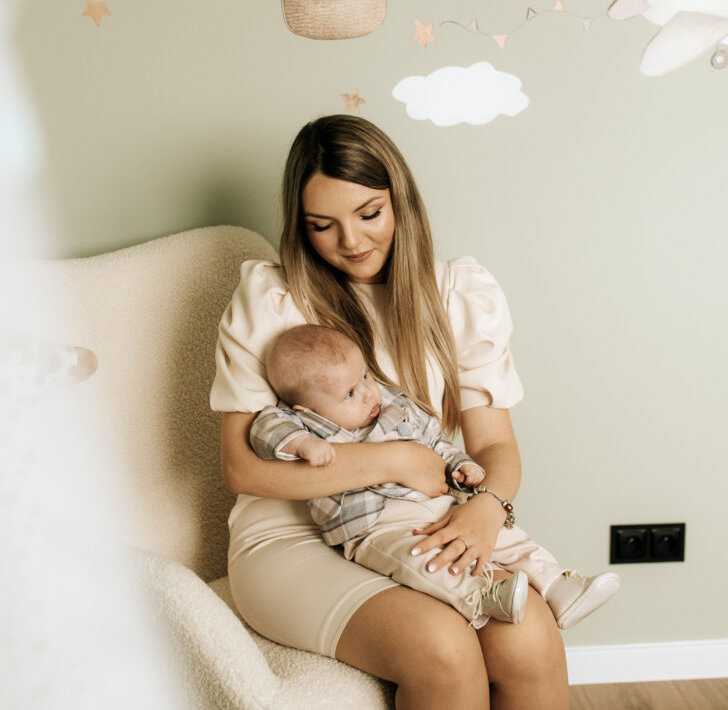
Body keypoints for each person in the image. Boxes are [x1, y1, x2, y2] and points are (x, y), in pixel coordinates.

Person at [212, 115, 571, 708]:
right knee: (443, 650)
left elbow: (496, 448)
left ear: (401, 202)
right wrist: (397, 460)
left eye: (369, 214)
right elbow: (241, 470)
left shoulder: (458, 296)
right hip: (290, 539)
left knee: (531, 638)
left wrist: (487, 509)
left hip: (413, 520)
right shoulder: (274, 299)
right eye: (321, 225)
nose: (350, 241)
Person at [249, 323, 620, 630]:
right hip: (373, 525)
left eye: (364, 376)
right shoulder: (302, 422)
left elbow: (435, 441)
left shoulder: (391, 403)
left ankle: (557, 584)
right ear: (306, 408)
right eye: (349, 393)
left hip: (437, 503)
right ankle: (480, 596)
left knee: (501, 535)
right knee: (421, 560)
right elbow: (264, 429)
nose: (367, 393)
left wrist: (461, 464)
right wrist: (301, 444)